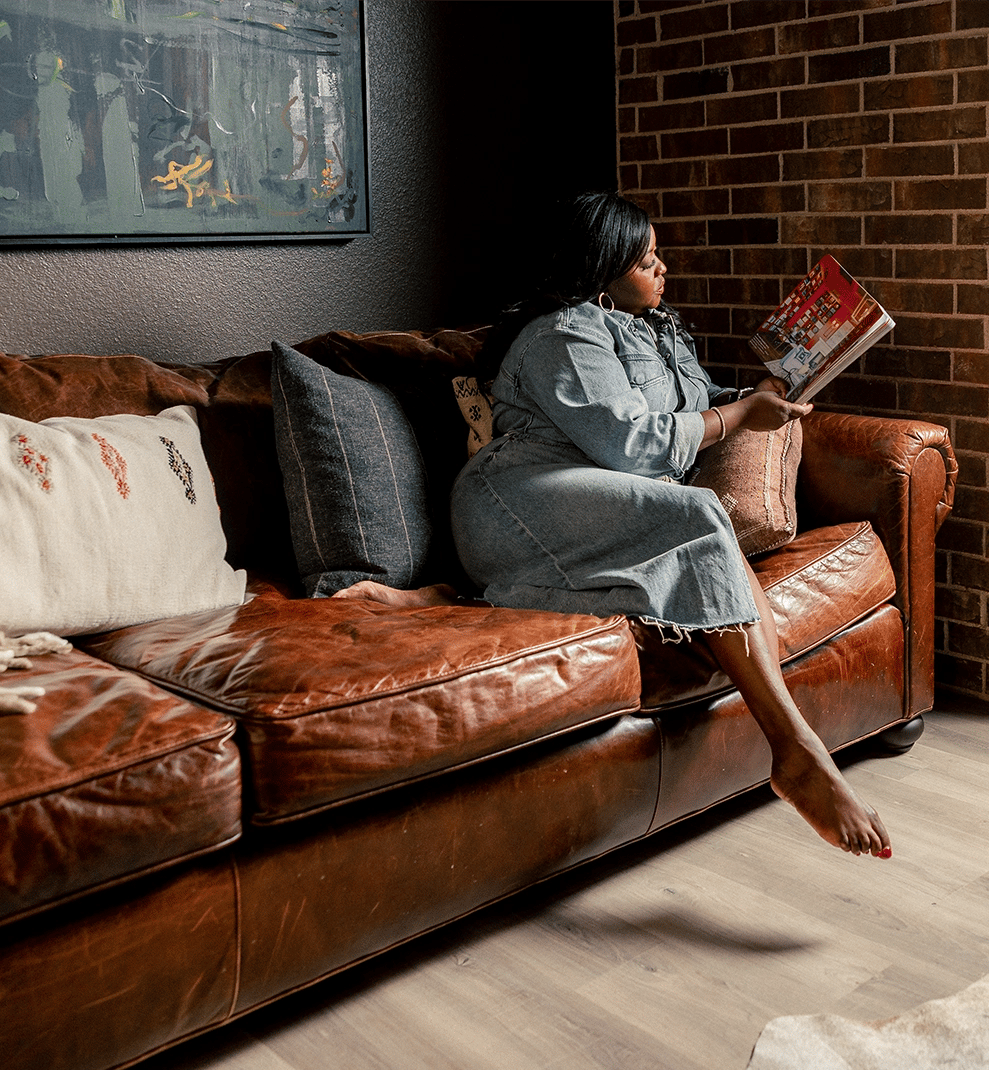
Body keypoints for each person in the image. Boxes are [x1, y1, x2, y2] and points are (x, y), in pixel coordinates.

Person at [338, 193, 891, 859]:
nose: (663, 269)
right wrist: (741, 417)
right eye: (646, 257)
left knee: (713, 546)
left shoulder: (656, 332)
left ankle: (461, 597)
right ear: (601, 268)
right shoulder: (562, 332)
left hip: (590, 503)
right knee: (699, 513)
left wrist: (765, 392)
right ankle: (796, 748)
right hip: (516, 496)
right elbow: (630, 442)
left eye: (659, 256)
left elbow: (698, 405)